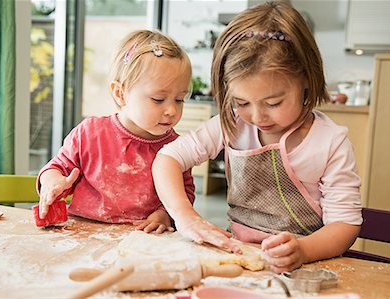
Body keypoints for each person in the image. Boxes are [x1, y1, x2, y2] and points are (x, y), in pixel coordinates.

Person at [152, 1, 362, 272]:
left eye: (273, 103)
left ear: (307, 79)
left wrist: (304, 250)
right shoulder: (232, 124)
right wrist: (185, 216)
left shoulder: (330, 142)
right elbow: (167, 158)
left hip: (304, 265)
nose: (257, 116)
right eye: (242, 102)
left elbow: (344, 225)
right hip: (239, 256)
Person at [37, 29, 195, 233]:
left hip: (142, 239)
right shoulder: (89, 133)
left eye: (180, 99)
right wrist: (52, 181)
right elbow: (57, 167)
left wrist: (165, 214)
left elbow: (185, 192)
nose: (172, 110)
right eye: (158, 99)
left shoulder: (177, 149)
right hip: (84, 234)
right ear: (121, 93)